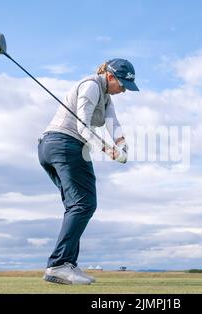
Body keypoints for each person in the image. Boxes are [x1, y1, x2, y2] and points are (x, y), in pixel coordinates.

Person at [38, 59, 139, 285]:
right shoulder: (91, 85)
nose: (123, 90)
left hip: (51, 147)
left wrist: (123, 146)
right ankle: (58, 265)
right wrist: (110, 151)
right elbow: (83, 126)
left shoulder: (106, 96)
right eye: (121, 84)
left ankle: (68, 264)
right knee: (84, 204)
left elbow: (113, 123)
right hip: (65, 143)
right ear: (110, 76)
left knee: (76, 206)